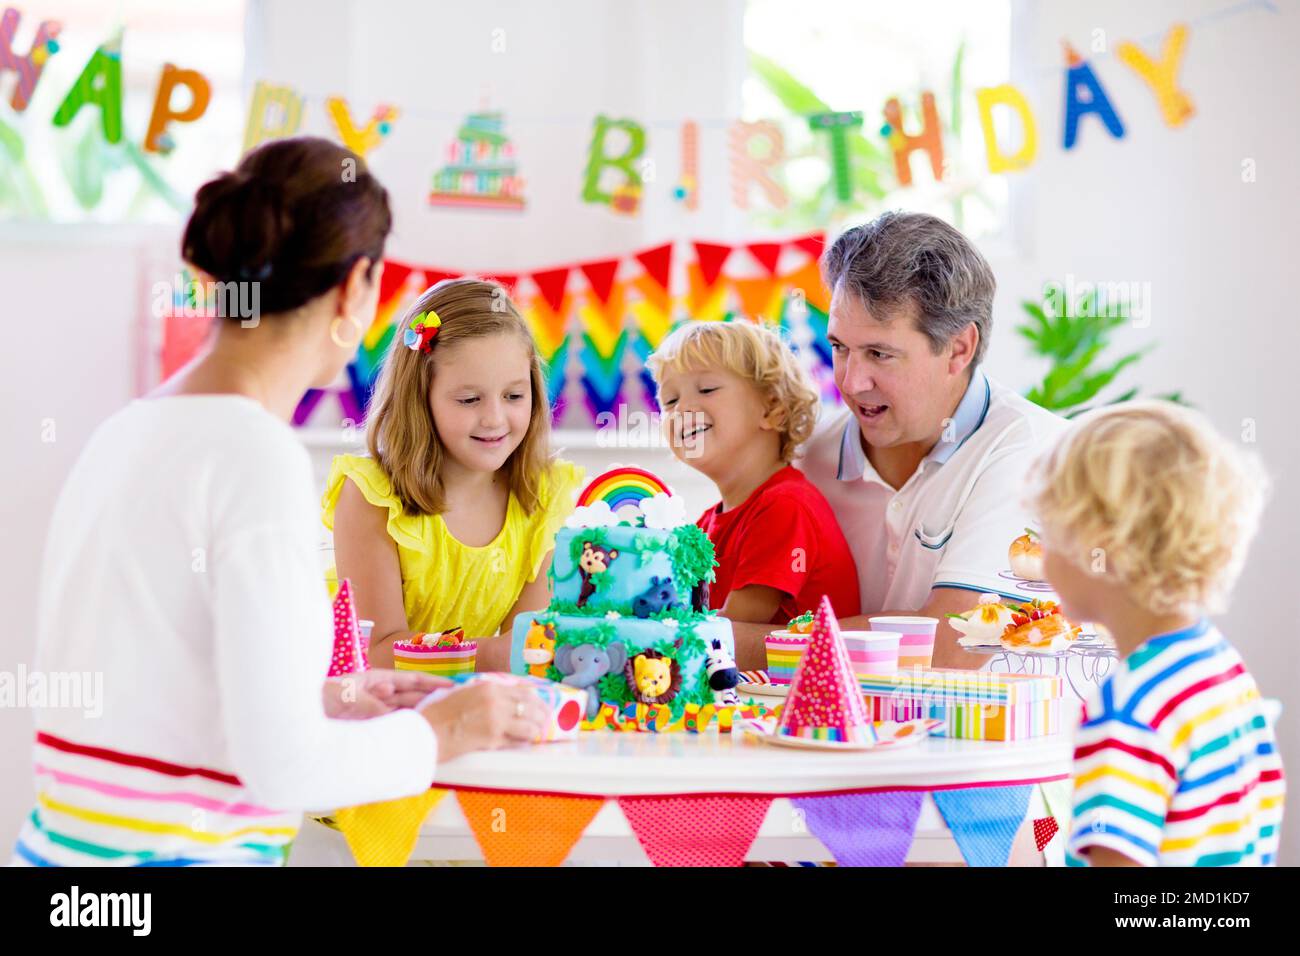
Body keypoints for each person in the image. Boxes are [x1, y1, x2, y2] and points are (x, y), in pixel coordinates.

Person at [12, 138, 547, 867]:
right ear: (355, 286)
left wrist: (334, 699)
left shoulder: (126, 430)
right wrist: (447, 729)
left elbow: (167, 691)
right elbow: (286, 769)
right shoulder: (253, 457)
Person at [794, 211, 1069, 670]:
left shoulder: (1031, 449)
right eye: (840, 347)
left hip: (985, 738)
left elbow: (952, 647)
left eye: (880, 353)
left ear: (959, 349)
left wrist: (725, 645)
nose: (852, 381)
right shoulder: (810, 458)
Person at [1026, 401, 1284, 866]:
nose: (1042, 559)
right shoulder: (1222, 669)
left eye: (1050, 534)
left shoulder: (1128, 705)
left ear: (1101, 545)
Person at [322, 278, 584, 672]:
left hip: (470, 706)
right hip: (370, 707)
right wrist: (492, 653)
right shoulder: (371, 496)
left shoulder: (544, 495)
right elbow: (374, 654)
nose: (495, 418)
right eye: (469, 399)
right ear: (419, 398)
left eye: (514, 396)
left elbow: (525, 652)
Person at [647, 320, 859, 643]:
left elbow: (724, 639)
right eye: (670, 401)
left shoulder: (785, 508)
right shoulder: (706, 524)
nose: (683, 409)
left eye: (706, 389)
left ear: (771, 408)